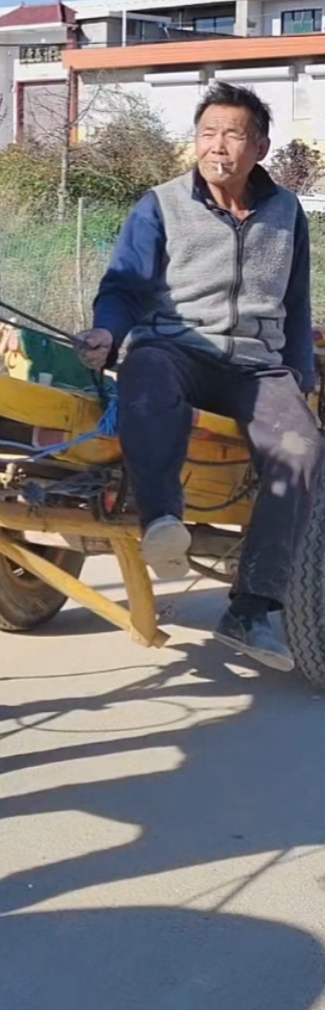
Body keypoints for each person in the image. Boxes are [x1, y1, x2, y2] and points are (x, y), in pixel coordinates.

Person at [76, 81, 324, 671]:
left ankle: (252, 609)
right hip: (176, 347)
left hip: (256, 366)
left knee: (302, 447)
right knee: (146, 374)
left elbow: (295, 302)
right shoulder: (159, 204)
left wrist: (301, 379)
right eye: (207, 133)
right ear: (195, 142)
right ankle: (162, 519)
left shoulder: (287, 212)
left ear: (259, 147)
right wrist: (107, 333)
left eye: (234, 135)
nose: (218, 146)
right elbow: (124, 287)